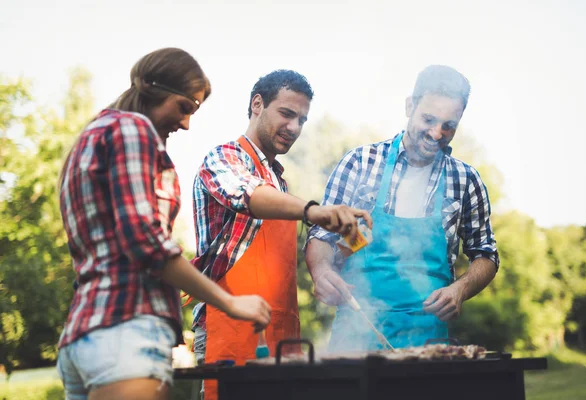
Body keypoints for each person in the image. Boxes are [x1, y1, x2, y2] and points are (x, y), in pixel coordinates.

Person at [56, 47, 271, 400]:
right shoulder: (132, 128)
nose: (186, 123)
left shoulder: (90, 137)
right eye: (185, 107)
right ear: (154, 88)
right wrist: (231, 304)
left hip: (85, 334)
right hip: (126, 330)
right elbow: (147, 243)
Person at [190, 69, 372, 400]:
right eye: (286, 114)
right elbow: (247, 194)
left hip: (283, 337)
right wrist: (314, 211)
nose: (294, 128)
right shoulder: (224, 158)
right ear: (257, 104)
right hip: (230, 332)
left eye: (302, 120)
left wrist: (335, 261)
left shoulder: (281, 184)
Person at [305, 65, 499, 352]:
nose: (436, 133)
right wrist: (321, 270)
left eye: (449, 126)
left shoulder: (466, 180)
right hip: (356, 337)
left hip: (430, 343)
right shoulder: (359, 163)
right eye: (429, 119)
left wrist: (460, 288)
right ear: (410, 106)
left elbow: (486, 254)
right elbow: (322, 235)